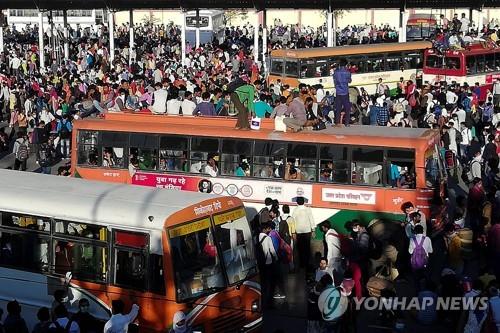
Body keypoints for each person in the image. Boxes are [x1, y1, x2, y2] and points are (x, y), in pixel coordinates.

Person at [258, 222, 279, 308]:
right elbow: (272, 251)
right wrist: (276, 258)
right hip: (268, 262)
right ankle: (269, 302)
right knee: (270, 283)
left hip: (261, 263)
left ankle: (262, 301)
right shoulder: (267, 238)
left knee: (263, 283)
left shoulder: (257, 237)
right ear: (265, 229)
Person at [292, 196, 315, 271]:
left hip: (299, 232)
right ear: (304, 202)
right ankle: (307, 263)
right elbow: (311, 219)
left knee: (300, 248)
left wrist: (293, 232)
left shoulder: (295, 210)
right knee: (307, 248)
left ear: (297, 202)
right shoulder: (308, 209)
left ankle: (302, 264)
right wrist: (313, 229)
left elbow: (293, 221)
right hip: (307, 231)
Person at [333, 58, 352, 127]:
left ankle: (337, 122)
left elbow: (335, 82)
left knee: (338, 108)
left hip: (338, 92)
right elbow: (349, 81)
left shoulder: (336, 72)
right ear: (346, 65)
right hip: (345, 92)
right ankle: (347, 123)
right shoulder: (347, 72)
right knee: (347, 108)